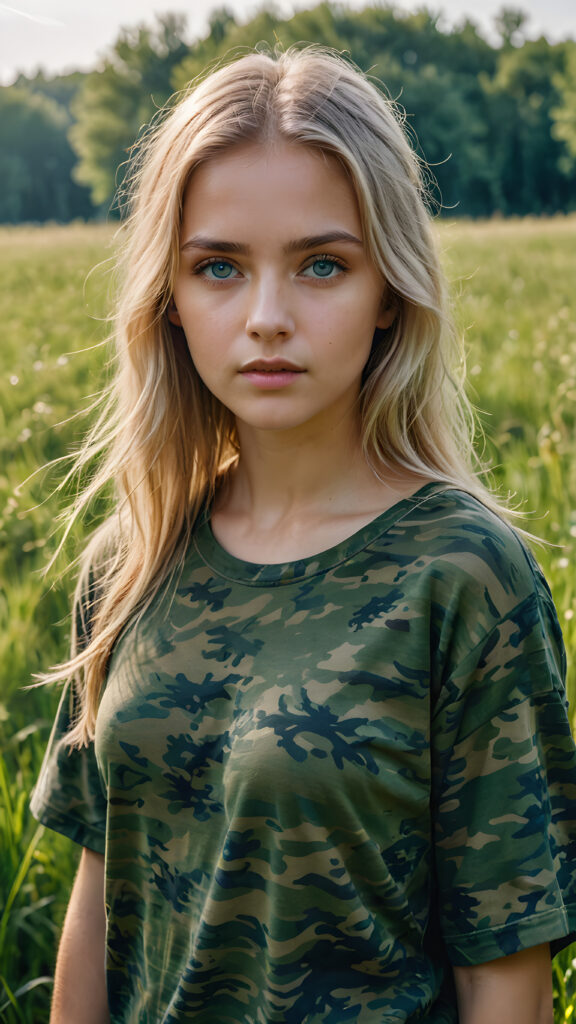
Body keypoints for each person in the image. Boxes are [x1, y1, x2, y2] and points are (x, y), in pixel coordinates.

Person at [31, 46, 576, 1024]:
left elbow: (506, 975)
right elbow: (98, 903)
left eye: (323, 264)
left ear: (389, 289)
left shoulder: (464, 576)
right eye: (219, 268)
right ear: (169, 297)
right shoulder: (132, 559)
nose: (267, 318)